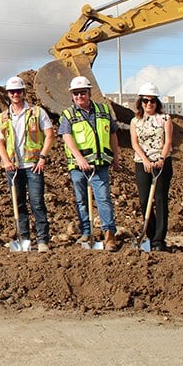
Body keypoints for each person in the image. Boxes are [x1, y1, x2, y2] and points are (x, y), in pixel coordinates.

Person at [58, 76, 121, 251]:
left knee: (103, 199)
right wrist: (79, 158)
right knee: (81, 200)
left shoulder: (103, 110)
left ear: (89, 93)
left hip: (99, 165)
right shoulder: (68, 114)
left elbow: (113, 134)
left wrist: (116, 158)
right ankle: (86, 232)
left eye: (83, 92)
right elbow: (67, 137)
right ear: (72, 95)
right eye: (76, 93)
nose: (79, 96)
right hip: (78, 167)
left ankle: (109, 235)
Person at [0, 76, 55, 252]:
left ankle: (43, 240)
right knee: (18, 203)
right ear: (8, 94)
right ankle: (25, 239)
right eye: (12, 92)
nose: (15, 94)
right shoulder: (3, 117)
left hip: (33, 165)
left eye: (18, 91)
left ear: (23, 92)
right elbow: (0, 141)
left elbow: (50, 135)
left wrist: (43, 157)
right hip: (13, 167)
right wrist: (5, 161)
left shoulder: (37, 112)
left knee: (37, 202)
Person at [130, 82, 173, 252]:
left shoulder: (165, 119)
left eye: (152, 101)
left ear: (157, 103)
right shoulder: (135, 121)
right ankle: (150, 234)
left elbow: (168, 140)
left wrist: (161, 158)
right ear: (140, 102)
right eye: (146, 101)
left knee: (161, 200)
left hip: (162, 162)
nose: (149, 104)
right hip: (142, 163)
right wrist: (145, 160)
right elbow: (134, 143)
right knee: (144, 200)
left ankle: (159, 240)